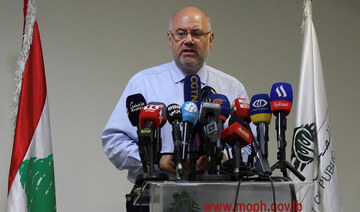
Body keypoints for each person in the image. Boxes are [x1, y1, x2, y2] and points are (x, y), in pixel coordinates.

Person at [101, 6, 252, 211]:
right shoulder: (143, 84)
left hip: (218, 200)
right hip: (158, 199)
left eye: (197, 33)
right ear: (170, 39)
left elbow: (251, 146)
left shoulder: (232, 88)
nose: (188, 40)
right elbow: (113, 141)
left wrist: (224, 158)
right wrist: (155, 160)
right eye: (181, 33)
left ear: (211, 39)